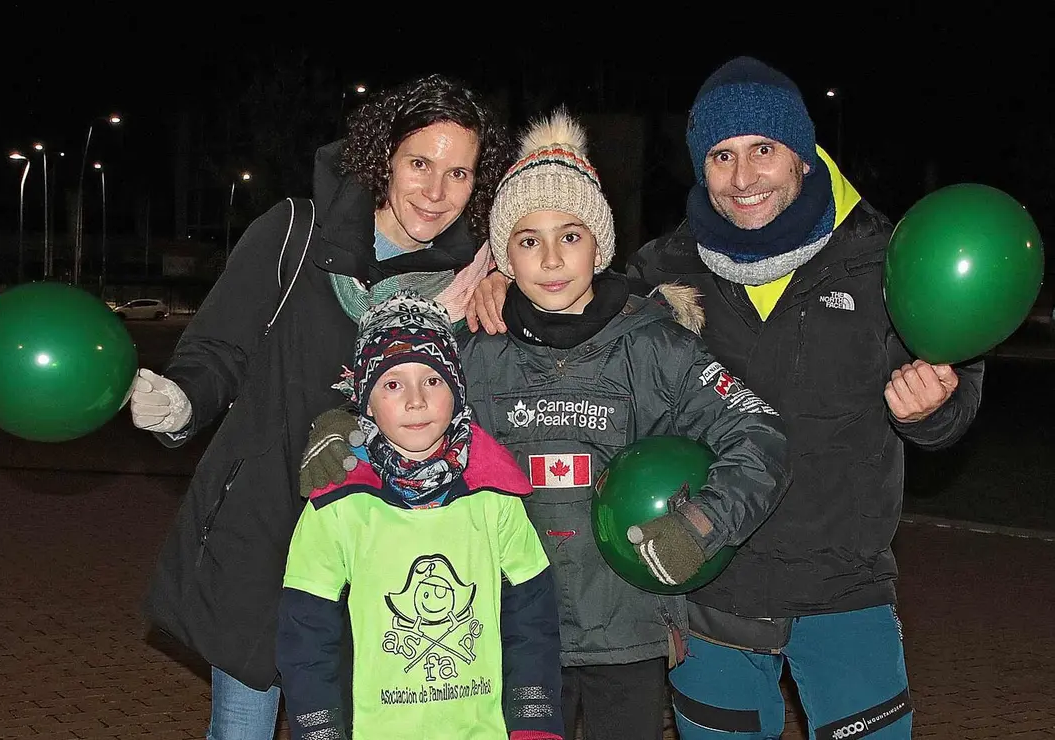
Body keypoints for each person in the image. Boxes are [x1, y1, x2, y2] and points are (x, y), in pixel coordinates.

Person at [468, 59, 985, 739]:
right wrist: (495, 285)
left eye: (763, 150)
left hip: (842, 590)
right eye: (721, 156)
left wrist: (936, 409)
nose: (743, 179)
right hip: (708, 590)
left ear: (801, 155)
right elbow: (573, 299)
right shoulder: (663, 270)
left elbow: (955, 378)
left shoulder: (880, 260)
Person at [127, 73, 514, 740]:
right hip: (266, 532)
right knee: (242, 725)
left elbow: (580, 285)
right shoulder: (293, 235)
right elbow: (220, 348)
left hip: (381, 550)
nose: (434, 192)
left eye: (458, 173)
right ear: (383, 156)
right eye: (420, 163)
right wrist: (181, 399)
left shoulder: (474, 279)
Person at [459, 109, 790, 739]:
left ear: (601, 242)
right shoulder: (479, 351)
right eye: (528, 240)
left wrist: (703, 524)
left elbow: (760, 433)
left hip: (629, 637)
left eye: (571, 235)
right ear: (504, 255)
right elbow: (395, 409)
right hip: (511, 635)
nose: (551, 257)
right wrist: (342, 425)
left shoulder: (657, 348)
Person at [277, 291, 564, 739]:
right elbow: (306, 639)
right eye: (392, 384)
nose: (415, 401)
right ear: (365, 403)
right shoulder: (336, 507)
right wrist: (319, 732)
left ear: (457, 392)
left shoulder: (495, 497)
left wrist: (535, 723)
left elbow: (533, 623)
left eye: (432, 380)